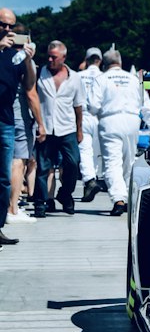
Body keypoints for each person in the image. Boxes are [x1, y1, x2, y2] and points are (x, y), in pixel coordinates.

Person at [95, 49, 150, 217]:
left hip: (110, 121)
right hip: (132, 122)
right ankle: (129, 197)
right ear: (121, 63)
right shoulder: (133, 79)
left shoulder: (101, 79)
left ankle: (118, 198)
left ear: (104, 64)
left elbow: (93, 105)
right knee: (129, 161)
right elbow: (146, 105)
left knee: (112, 162)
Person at [0, 8, 45, 243]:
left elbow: (29, 86)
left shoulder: (14, 56)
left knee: (4, 176)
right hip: (9, 119)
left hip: (7, 119)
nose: (7, 31)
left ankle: (1, 222)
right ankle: (9, 213)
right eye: (3, 25)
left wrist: (28, 59)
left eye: (11, 27)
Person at [35, 41, 85, 217]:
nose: (50, 60)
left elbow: (78, 106)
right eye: (48, 56)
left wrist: (80, 130)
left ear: (63, 57)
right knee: (43, 167)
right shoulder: (40, 74)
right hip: (46, 128)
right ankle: (40, 204)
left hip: (67, 127)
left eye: (54, 57)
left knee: (73, 163)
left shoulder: (75, 77)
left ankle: (65, 194)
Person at [80, 47, 106, 203]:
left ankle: (89, 180)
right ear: (100, 61)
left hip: (82, 116)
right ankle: (95, 178)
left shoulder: (78, 76)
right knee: (98, 153)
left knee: (85, 151)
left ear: (86, 60)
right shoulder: (105, 77)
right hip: (100, 117)